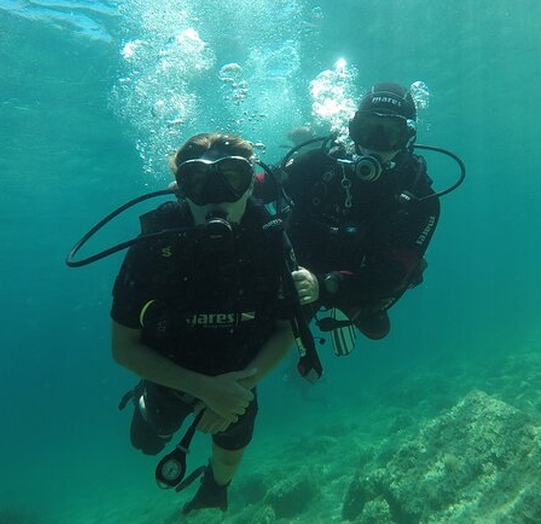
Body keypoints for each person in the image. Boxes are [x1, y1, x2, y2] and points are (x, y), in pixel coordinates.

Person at [110, 133, 295, 514]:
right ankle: (144, 398)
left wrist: (236, 389)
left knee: (230, 451)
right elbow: (122, 346)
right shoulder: (152, 246)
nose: (217, 195)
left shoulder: (271, 238)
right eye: (198, 181)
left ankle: (214, 487)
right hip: (170, 376)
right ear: (181, 190)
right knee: (145, 442)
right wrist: (203, 389)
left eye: (232, 178)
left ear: (251, 186)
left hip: (240, 377)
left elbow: (287, 327)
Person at [266, 82, 441, 344]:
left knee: (377, 328)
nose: (375, 144)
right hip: (300, 262)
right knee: (273, 323)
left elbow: (392, 276)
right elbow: (259, 185)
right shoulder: (319, 162)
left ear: (408, 138)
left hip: (357, 274)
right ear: (352, 130)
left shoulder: (421, 199)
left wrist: (325, 286)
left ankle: (347, 302)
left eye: (391, 133)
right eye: (367, 129)